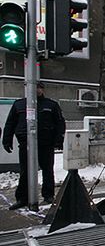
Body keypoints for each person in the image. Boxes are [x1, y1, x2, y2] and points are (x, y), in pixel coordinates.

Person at [3, 82, 66, 210]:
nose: (36, 90)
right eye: (33, 87)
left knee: (47, 170)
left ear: (42, 90)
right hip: (26, 143)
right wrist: (7, 139)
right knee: (25, 171)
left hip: (45, 143)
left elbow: (60, 123)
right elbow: (10, 123)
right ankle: (22, 198)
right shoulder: (19, 104)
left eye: (39, 88)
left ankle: (48, 195)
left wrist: (59, 140)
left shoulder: (51, 105)